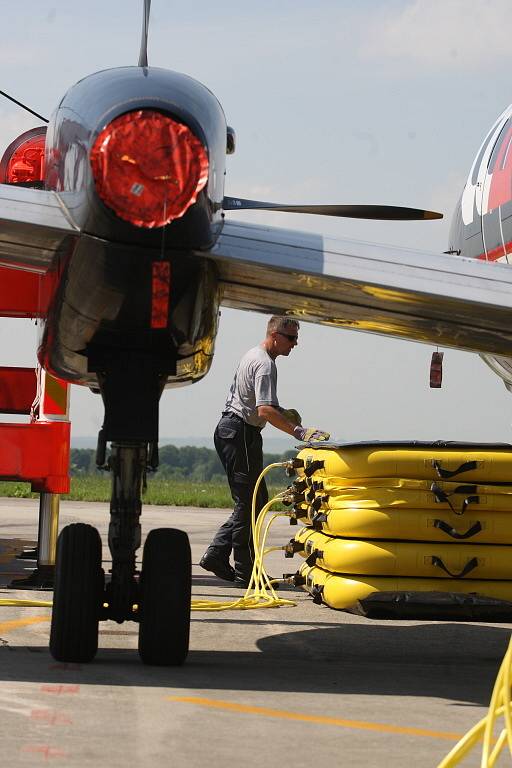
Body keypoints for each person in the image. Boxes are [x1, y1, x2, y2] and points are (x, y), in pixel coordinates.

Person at [199, 315, 330, 586]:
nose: (295, 344)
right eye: (291, 338)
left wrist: (292, 419)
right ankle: (245, 571)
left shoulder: (255, 356)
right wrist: (299, 432)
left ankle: (218, 554)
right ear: (275, 336)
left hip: (235, 432)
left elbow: (268, 406)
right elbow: (264, 410)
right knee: (250, 502)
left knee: (253, 501)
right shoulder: (264, 364)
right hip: (240, 434)